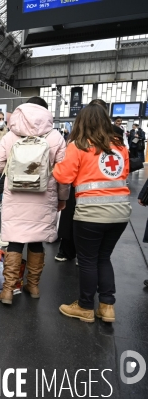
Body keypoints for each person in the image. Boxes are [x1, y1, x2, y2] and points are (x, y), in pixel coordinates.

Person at [54, 104, 131, 323]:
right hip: (120, 213)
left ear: (81, 122)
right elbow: (122, 173)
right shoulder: (119, 147)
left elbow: (64, 176)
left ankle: (86, 307)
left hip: (91, 214)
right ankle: (107, 306)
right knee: (103, 258)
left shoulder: (78, 146)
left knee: (87, 261)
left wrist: (55, 166)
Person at [0, 97, 69, 305]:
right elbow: (63, 174)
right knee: (36, 241)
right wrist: (62, 198)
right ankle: (32, 286)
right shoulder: (55, 137)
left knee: (15, 240)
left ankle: (7, 290)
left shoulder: (10, 136)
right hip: (44, 198)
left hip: (15, 198)